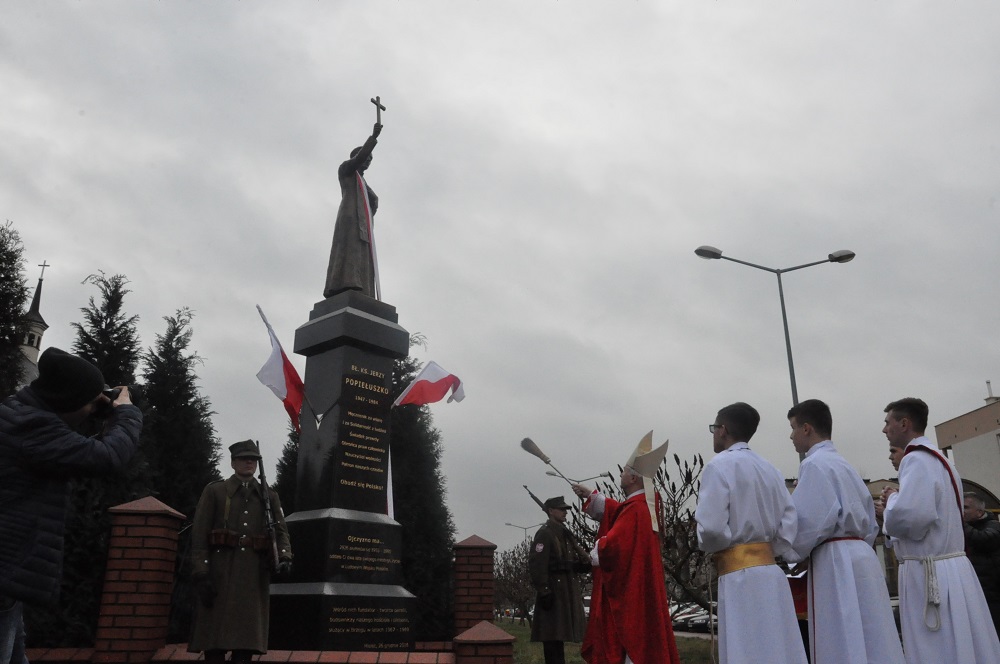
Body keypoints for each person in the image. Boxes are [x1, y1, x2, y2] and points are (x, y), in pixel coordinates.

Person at [0, 348, 142, 664]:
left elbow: (68, 430)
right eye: (90, 403)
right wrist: (127, 413)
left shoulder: (17, 413)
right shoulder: (32, 429)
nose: (93, 410)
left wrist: (98, 405)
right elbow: (108, 457)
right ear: (66, 400)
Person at [783, 399, 904, 663]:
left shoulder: (814, 465)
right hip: (862, 557)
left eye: (793, 428)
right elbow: (870, 522)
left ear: (806, 428)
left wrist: (788, 552)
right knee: (873, 633)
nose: (791, 436)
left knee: (840, 634)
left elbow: (810, 523)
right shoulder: (844, 464)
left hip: (834, 560)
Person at [881, 397, 1000, 663]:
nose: (884, 429)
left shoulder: (915, 460)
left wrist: (891, 503)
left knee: (937, 646)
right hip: (949, 568)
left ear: (904, 423)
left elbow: (912, 519)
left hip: (930, 572)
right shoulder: (938, 460)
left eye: (887, 422)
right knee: (959, 643)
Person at [694, 402, 806, 664]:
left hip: (738, 577)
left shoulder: (718, 466)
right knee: (777, 646)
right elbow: (789, 521)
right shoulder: (770, 469)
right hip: (771, 574)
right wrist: (767, 550)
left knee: (746, 647)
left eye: (714, 428)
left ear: (723, 430)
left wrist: (716, 545)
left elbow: (710, 528)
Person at [571, 432, 680, 664]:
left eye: (623, 471)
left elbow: (613, 547)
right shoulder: (644, 506)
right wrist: (592, 495)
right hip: (640, 586)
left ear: (633, 479)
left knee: (631, 642)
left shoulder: (636, 509)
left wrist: (598, 547)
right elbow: (618, 513)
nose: (620, 474)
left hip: (631, 591)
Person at [188, 440, 292, 663]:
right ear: (233, 462)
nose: (249, 462)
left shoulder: (269, 496)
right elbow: (199, 535)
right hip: (219, 573)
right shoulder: (215, 491)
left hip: (252, 577)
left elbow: (281, 530)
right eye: (244, 458)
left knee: (245, 646)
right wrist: (201, 572)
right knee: (214, 646)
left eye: (253, 459)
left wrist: (284, 557)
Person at [528, 496, 591, 664]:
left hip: (564, 590)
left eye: (566, 510)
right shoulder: (545, 534)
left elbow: (566, 561)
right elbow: (537, 565)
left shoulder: (562, 533)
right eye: (561, 509)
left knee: (558, 637)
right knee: (552, 638)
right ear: (550, 511)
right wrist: (544, 590)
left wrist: (579, 566)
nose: (565, 512)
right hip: (553, 592)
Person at [324, 122, 383, 299]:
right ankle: (346, 283)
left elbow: (374, 201)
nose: (367, 161)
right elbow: (357, 160)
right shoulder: (346, 170)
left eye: (370, 160)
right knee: (349, 249)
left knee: (362, 253)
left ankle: (362, 287)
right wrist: (373, 138)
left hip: (363, 223)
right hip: (350, 217)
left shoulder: (364, 184)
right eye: (366, 157)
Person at [963, 492, 1000, 634]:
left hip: (992, 595)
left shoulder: (994, 525)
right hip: (973, 593)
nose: (962, 511)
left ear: (979, 512)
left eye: (966, 507)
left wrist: (959, 522)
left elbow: (983, 539)